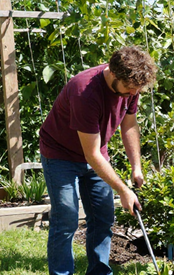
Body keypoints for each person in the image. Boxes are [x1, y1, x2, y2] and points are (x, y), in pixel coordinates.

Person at [39, 46, 156, 274]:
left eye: (136, 90)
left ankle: (100, 272)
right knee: (67, 219)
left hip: (95, 153)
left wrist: (136, 167)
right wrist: (123, 190)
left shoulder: (131, 86)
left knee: (103, 217)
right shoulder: (85, 91)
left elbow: (129, 125)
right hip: (60, 154)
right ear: (113, 73)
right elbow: (91, 155)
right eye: (129, 89)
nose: (132, 94)